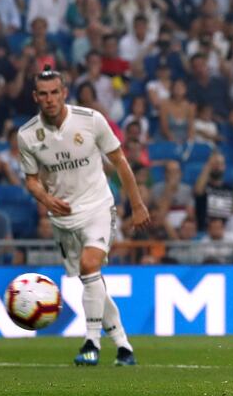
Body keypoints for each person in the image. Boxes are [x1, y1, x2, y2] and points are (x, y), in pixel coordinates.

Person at [18, 65, 150, 366]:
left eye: (55, 93)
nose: (50, 99)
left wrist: (138, 204)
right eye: (43, 94)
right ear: (35, 97)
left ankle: (91, 342)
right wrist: (45, 198)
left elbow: (120, 162)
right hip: (62, 217)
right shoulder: (27, 135)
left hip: (97, 207)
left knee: (90, 266)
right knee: (92, 281)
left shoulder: (91, 121)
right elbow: (31, 179)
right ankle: (123, 345)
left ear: (64, 93)